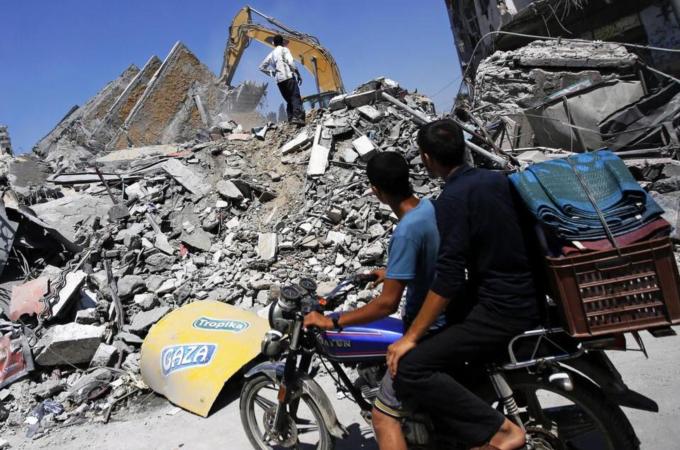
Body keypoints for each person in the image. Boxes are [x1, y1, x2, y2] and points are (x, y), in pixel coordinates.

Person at [387, 119, 541, 450]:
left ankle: (502, 433)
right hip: (527, 294)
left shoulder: (453, 198)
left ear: (426, 158)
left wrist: (410, 338)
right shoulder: (498, 180)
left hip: (501, 308)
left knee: (412, 366)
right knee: (444, 326)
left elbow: (450, 277)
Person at [304, 152, 443, 450]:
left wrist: (332, 321)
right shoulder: (429, 208)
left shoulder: (405, 232)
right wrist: (392, 272)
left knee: (382, 417)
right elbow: (430, 258)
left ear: (376, 191)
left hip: (426, 328)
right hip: (444, 314)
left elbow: (386, 305)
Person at [258, 34, 305, 125]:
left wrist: (272, 73)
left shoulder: (271, 54)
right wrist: (298, 74)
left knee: (289, 100)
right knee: (295, 97)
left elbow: (261, 67)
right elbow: (291, 62)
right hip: (288, 77)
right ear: (283, 42)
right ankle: (298, 118)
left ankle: (291, 119)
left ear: (273, 43)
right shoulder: (285, 50)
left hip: (279, 81)